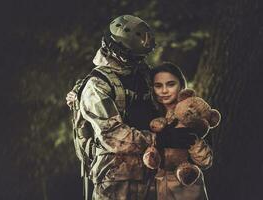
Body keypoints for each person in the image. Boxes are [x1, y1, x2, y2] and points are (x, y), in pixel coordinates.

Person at [67, 15, 158, 200]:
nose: (139, 61)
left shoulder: (144, 74)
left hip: (151, 171)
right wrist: (160, 139)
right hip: (115, 178)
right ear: (119, 51)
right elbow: (114, 137)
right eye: (135, 57)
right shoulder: (97, 85)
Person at [150, 62, 213, 200]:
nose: (164, 91)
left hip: (186, 185)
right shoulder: (150, 115)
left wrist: (194, 142)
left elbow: (206, 160)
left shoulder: (194, 113)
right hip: (155, 186)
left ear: (181, 86)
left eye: (171, 84)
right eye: (158, 86)